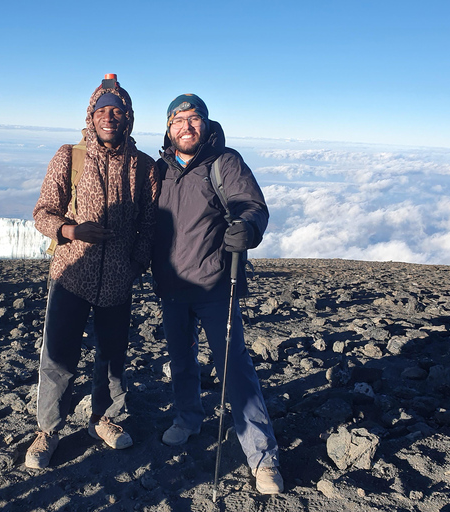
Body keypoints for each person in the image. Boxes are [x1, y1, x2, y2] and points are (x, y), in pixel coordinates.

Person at [151, 94, 284, 494]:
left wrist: (248, 226)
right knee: (181, 358)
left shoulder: (225, 163)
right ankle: (188, 419)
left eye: (194, 119)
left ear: (206, 125)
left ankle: (262, 456)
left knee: (233, 367)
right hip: (172, 285)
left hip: (213, 284)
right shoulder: (159, 169)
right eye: (179, 120)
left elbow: (251, 206)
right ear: (168, 128)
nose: (187, 126)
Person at [26, 75, 159, 469]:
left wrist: (134, 263)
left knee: (113, 356)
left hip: (118, 280)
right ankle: (47, 430)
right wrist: (70, 230)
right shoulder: (70, 156)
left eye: (117, 110)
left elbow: (149, 224)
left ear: (128, 117)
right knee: (58, 356)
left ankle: (105, 419)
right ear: (91, 114)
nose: (109, 116)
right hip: (70, 275)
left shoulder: (144, 166)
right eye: (102, 109)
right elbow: (42, 212)